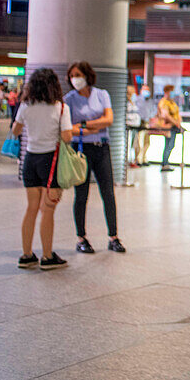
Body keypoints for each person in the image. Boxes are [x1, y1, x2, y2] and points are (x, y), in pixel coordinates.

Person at [12, 68, 72, 270]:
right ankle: (47, 257)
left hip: (30, 160)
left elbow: (15, 130)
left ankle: (26, 255)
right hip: (50, 162)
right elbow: (67, 137)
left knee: (31, 209)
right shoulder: (60, 108)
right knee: (48, 210)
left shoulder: (26, 106)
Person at [64, 61, 125, 254]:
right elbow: (69, 130)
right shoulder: (69, 99)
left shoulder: (102, 94)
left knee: (108, 193)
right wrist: (93, 126)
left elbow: (109, 120)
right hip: (80, 149)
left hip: (102, 149)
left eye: (78, 74)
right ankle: (81, 237)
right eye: (72, 75)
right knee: (81, 194)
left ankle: (113, 237)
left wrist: (83, 124)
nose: (75, 79)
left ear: (87, 75)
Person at [156, 84, 182, 172]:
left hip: (174, 127)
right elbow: (166, 115)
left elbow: (177, 113)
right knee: (168, 145)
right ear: (167, 92)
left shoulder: (172, 102)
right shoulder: (163, 102)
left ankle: (166, 162)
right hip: (168, 127)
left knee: (171, 145)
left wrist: (178, 122)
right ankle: (164, 164)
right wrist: (176, 122)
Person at [132, 84, 153, 165]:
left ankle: (144, 159)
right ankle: (138, 160)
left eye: (147, 90)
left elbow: (151, 111)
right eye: (144, 90)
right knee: (139, 142)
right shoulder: (137, 99)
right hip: (140, 123)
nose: (146, 92)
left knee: (147, 142)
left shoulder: (149, 100)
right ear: (141, 90)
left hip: (147, 123)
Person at [125, 85, 143, 168]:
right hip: (129, 127)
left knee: (133, 145)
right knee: (128, 145)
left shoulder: (135, 103)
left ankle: (132, 161)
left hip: (135, 127)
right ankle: (127, 161)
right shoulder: (126, 104)